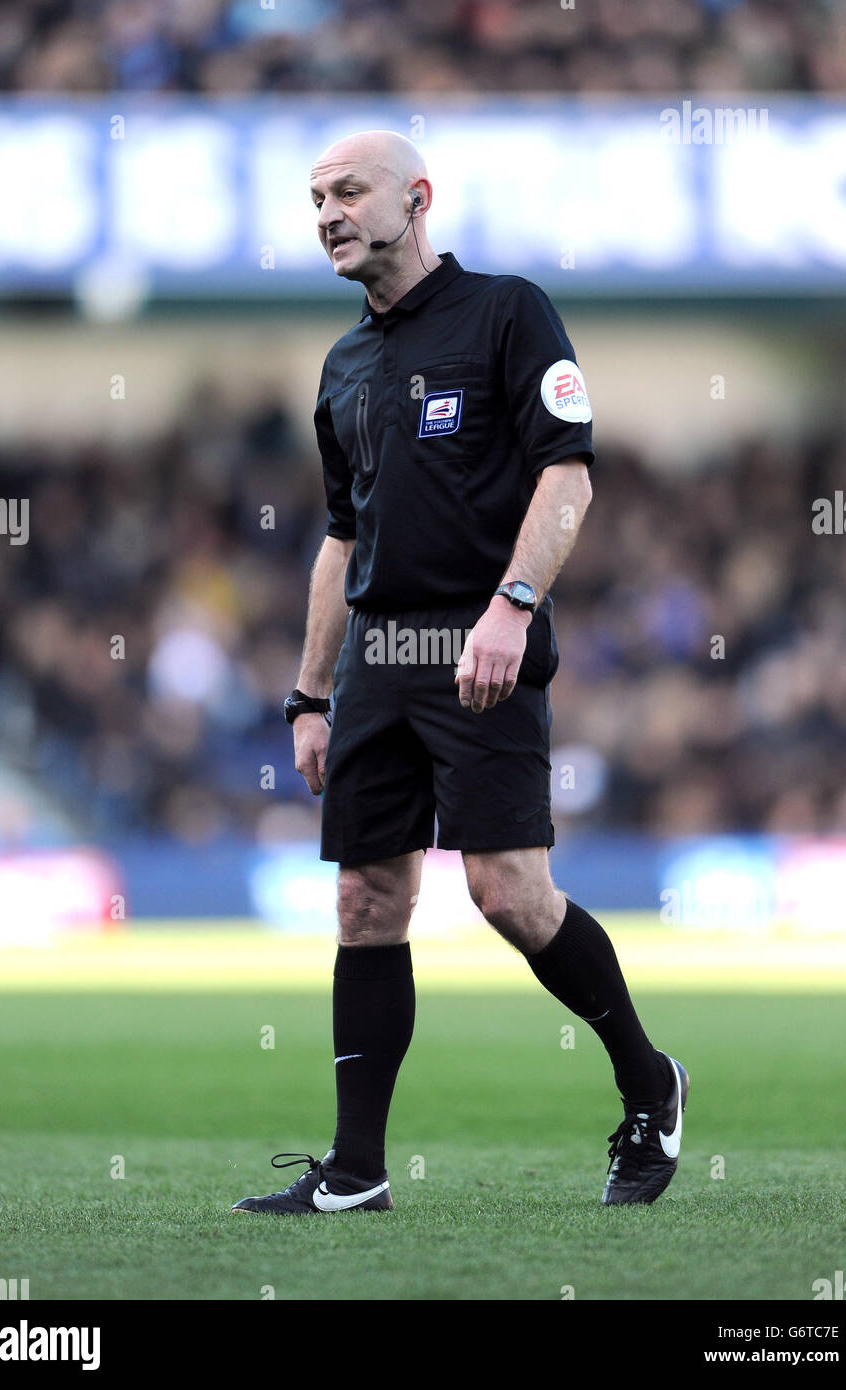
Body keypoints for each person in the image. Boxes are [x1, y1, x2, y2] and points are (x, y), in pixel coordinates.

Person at [232, 130, 687, 1217]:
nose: (328, 212)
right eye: (314, 197)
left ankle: (649, 1081)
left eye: (349, 191)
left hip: (479, 636)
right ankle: (356, 1170)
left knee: (507, 893)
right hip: (375, 658)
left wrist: (511, 608)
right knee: (364, 900)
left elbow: (566, 477)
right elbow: (340, 541)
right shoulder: (343, 366)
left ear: (417, 198)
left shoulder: (507, 312)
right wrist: (307, 694)